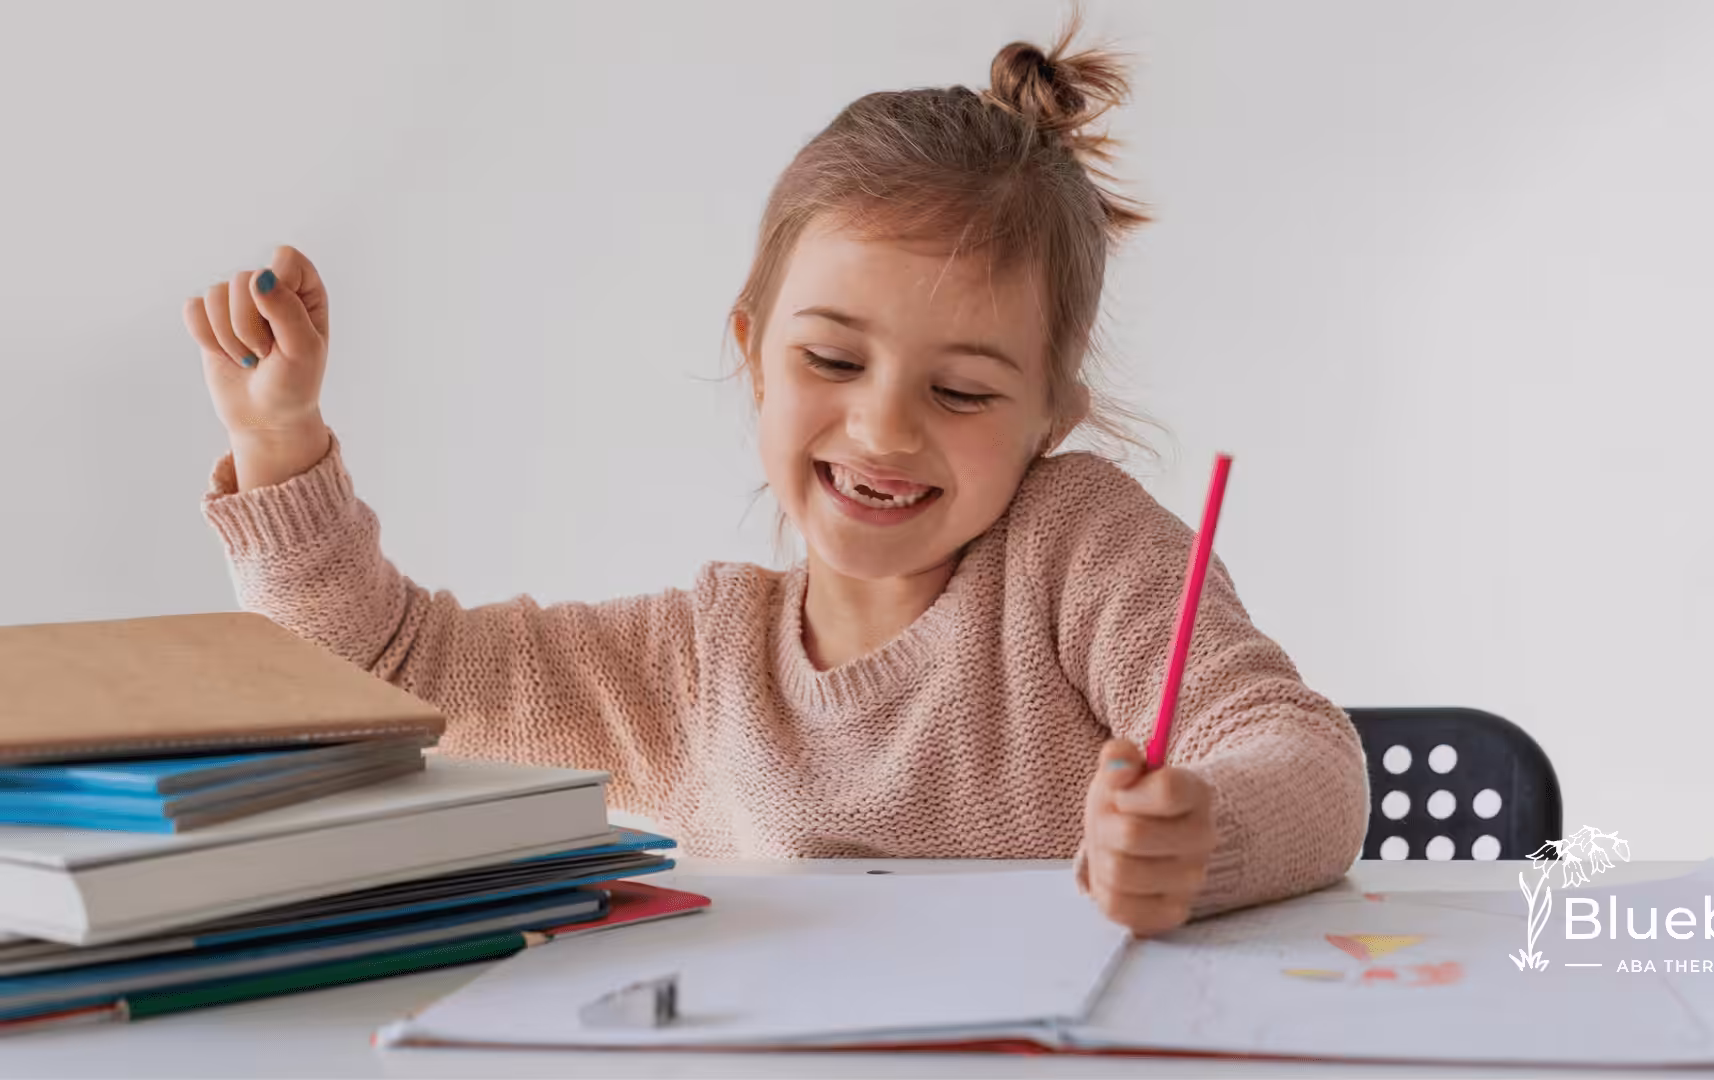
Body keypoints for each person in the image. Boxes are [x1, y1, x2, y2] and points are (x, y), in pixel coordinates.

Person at [184, 14, 1367, 936]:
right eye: (833, 359)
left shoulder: (1076, 549)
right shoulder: (698, 666)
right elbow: (384, 674)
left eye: (961, 392)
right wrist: (281, 437)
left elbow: (1302, 752)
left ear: (1053, 417)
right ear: (752, 351)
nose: (886, 428)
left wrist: (1203, 836)